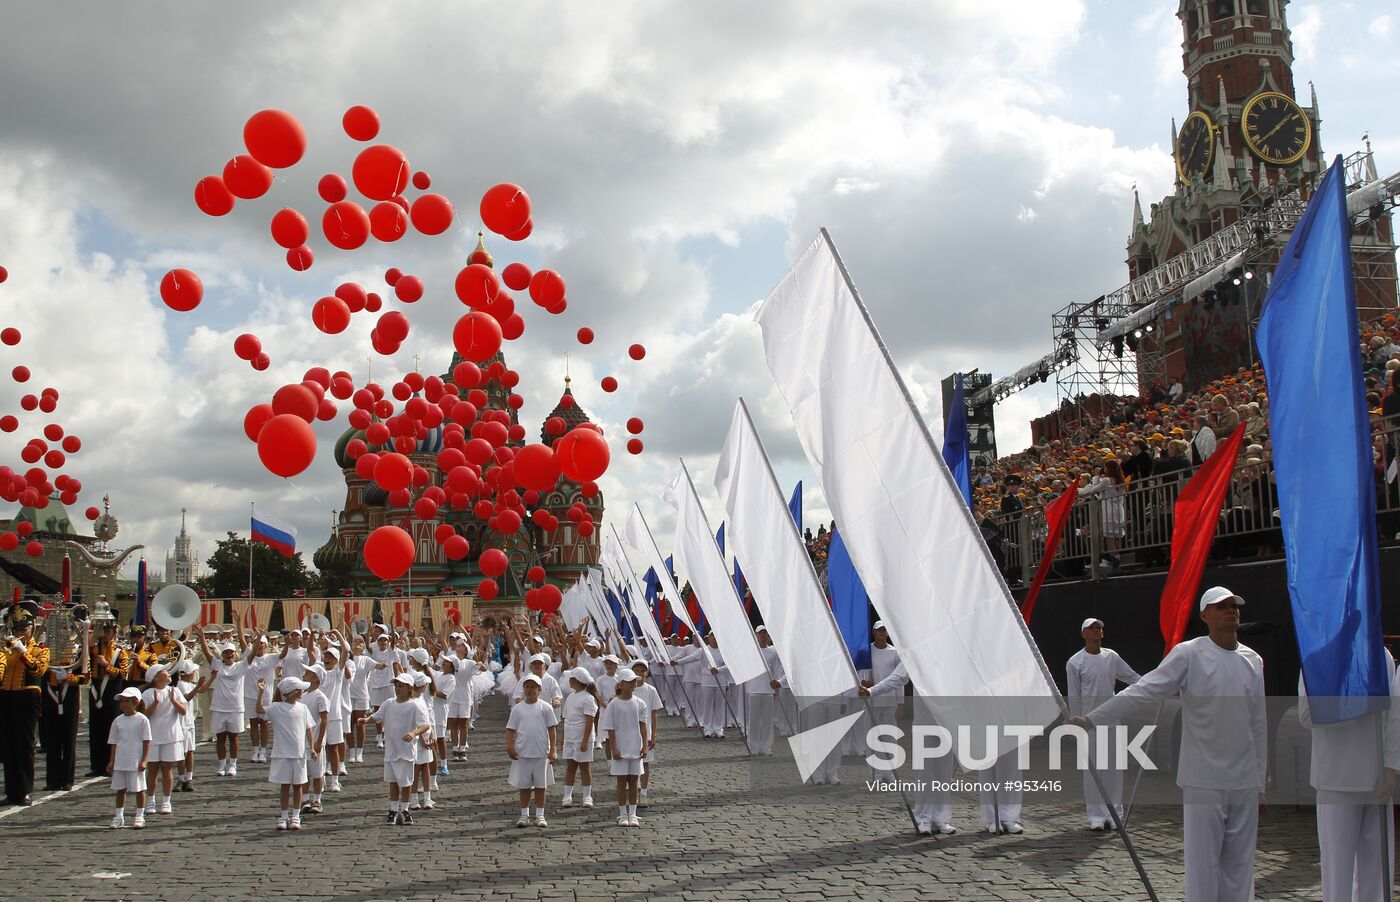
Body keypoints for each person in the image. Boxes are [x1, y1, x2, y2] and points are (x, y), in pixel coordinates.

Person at [1079, 586, 1266, 902]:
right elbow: (1145, 690)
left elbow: (1258, 723)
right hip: (1203, 779)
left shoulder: (1253, 660)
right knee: (1203, 864)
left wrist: (1261, 781)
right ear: (1205, 615)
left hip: (1244, 779)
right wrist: (1092, 719)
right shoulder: (1189, 653)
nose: (1231, 611)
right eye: (1221, 606)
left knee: (1240, 865)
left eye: (1234, 605)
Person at [1298, 646, 1400, 901]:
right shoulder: (1317, 656)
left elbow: (1393, 716)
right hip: (1335, 778)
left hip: (1377, 778)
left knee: (1376, 872)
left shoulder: (1382, 656)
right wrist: (1355, 704)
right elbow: (1307, 715)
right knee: (1338, 871)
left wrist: (1391, 767)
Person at [860, 662, 957, 835]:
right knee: (925, 773)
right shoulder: (915, 650)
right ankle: (924, 818)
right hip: (925, 721)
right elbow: (897, 678)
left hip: (948, 721)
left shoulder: (951, 650)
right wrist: (872, 691)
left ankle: (941, 818)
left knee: (944, 773)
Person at [1066, 618, 1140, 830]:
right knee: (1093, 771)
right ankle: (1096, 815)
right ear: (1083, 634)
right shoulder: (1075, 662)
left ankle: (1114, 812)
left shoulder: (1112, 657)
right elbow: (1074, 695)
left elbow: (1131, 676)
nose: (1097, 631)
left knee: (1114, 770)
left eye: (1099, 628)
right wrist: (1076, 720)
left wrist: (1153, 686)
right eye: (1092, 628)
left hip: (1112, 720)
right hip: (1089, 723)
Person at [365, 671, 430, 826]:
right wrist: (365, 720)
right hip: (391, 749)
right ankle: (393, 809)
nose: (397, 689)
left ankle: (405, 809)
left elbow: (425, 725)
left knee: (406, 782)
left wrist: (414, 733)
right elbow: (377, 716)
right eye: (396, 686)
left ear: (409, 688)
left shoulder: (414, 705)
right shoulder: (388, 703)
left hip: (406, 750)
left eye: (401, 686)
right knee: (393, 781)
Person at [2, 605, 49, 805]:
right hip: (5, 697)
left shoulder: (41, 650)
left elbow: (38, 670)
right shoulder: (5, 649)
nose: (20, 633)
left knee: (24, 745)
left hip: (27, 698)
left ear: (32, 627)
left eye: (24, 628)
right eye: (17, 629)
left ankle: (24, 791)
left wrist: (22, 651)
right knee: (7, 746)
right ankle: (11, 791)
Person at [261, 676, 316, 831]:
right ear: (291, 692)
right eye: (299, 689)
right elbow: (260, 710)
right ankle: (283, 816)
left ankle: (296, 816)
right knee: (285, 786)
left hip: (299, 753)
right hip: (282, 753)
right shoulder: (276, 707)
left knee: (298, 786)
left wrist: (311, 747)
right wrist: (261, 693)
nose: (302, 692)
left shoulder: (303, 708)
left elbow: (308, 729)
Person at [41, 613, 89, 791]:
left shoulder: (78, 649)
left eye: (65, 628)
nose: (62, 633)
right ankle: (52, 779)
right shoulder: (46, 648)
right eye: (58, 628)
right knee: (52, 739)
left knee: (68, 739)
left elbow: (85, 677)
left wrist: (69, 677)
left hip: (69, 695)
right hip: (51, 693)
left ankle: (67, 778)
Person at [195, 628, 251, 777]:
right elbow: (207, 654)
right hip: (219, 707)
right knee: (220, 737)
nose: (229, 654)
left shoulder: (241, 666)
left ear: (235, 654)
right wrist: (201, 637)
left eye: (231, 652)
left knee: (233, 737)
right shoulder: (218, 665)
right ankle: (221, 765)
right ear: (223, 655)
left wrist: (257, 639)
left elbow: (251, 655)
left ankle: (233, 764)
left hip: (235, 708)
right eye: (226, 652)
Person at [506, 673, 559, 828]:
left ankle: (540, 815)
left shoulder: (545, 707)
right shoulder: (517, 709)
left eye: (533, 687)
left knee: (541, 786)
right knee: (524, 785)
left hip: (541, 752)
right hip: (522, 752)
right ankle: (524, 815)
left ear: (539, 689)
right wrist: (509, 746)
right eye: (527, 687)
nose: (529, 690)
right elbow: (510, 729)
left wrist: (553, 749)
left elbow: (552, 729)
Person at [601, 670, 649, 827]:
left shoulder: (640, 703)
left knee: (634, 781)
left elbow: (643, 726)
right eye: (630, 681)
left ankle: (633, 814)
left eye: (634, 681)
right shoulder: (613, 704)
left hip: (635, 747)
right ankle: (623, 814)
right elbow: (610, 729)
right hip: (621, 748)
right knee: (621, 781)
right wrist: (614, 748)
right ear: (621, 684)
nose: (633, 684)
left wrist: (645, 745)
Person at [140, 664, 187, 815]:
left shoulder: (175, 691)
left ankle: (166, 800)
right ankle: (151, 800)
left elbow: (183, 711)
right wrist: (155, 703)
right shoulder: (147, 693)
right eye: (165, 672)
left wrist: (173, 701)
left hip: (171, 735)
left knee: (167, 768)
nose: (168, 674)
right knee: (152, 770)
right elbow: (144, 714)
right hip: (153, 736)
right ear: (156, 677)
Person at [86, 617, 129, 777]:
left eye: (108, 631)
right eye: (103, 631)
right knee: (95, 728)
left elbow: (123, 673)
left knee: (111, 727)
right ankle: (96, 764)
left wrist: (107, 665)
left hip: (112, 688)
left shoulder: (120, 650)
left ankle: (112, 763)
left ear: (114, 632)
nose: (105, 634)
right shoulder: (94, 648)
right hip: (96, 687)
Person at [107, 686, 151, 828]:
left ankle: (140, 815)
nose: (124, 704)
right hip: (121, 760)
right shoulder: (117, 721)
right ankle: (119, 816)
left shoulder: (142, 719)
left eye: (127, 701)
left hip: (135, 760)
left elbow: (146, 741)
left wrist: (144, 760)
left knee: (139, 789)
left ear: (135, 702)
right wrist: (112, 761)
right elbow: (113, 742)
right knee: (120, 789)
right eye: (122, 701)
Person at [559, 667, 600, 809]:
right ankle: (567, 795)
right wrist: (563, 737)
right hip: (570, 737)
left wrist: (585, 740)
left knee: (584, 767)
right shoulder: (571, 696)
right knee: (570, 767)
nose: (569, 681)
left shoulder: (588, 698)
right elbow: (566, 718)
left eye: (571, 678)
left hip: (582, 738)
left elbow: (590, 721)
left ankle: (587, 795)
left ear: (577, 681)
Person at [743, 626, 784, 757]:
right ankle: (753, 746)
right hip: (754, 689)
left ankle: (766, 747)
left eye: (765, 633)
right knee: (754, 720)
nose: (762, 636)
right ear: (756, 635)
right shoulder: (750, 651)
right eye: (760, 633)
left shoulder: (773, 652)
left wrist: (778, 683)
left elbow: (778, 670)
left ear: (768, 636)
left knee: (767, 720)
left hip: (768, 690)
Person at [299, 664, 331, 816]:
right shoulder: (303, 695)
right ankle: (305, 799)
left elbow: (324, 720)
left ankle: (317, 799)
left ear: (315, 678)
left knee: (317, 772)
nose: (304, 673)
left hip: (316, 740)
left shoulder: (320, 697)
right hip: (301, 741)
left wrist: (319, 741)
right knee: (303, 772)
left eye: (308, 672)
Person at [630, 662, 662, 806]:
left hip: (645, 732)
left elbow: (654, 714)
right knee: (631, 762)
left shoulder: (651, 690)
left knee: (646, 763)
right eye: (637, 670)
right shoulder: (627, 689)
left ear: (646, 673)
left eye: (642, 670)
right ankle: (632, 791)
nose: (639, 673)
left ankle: (643, 793)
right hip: (629, 731)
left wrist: (653, 734)